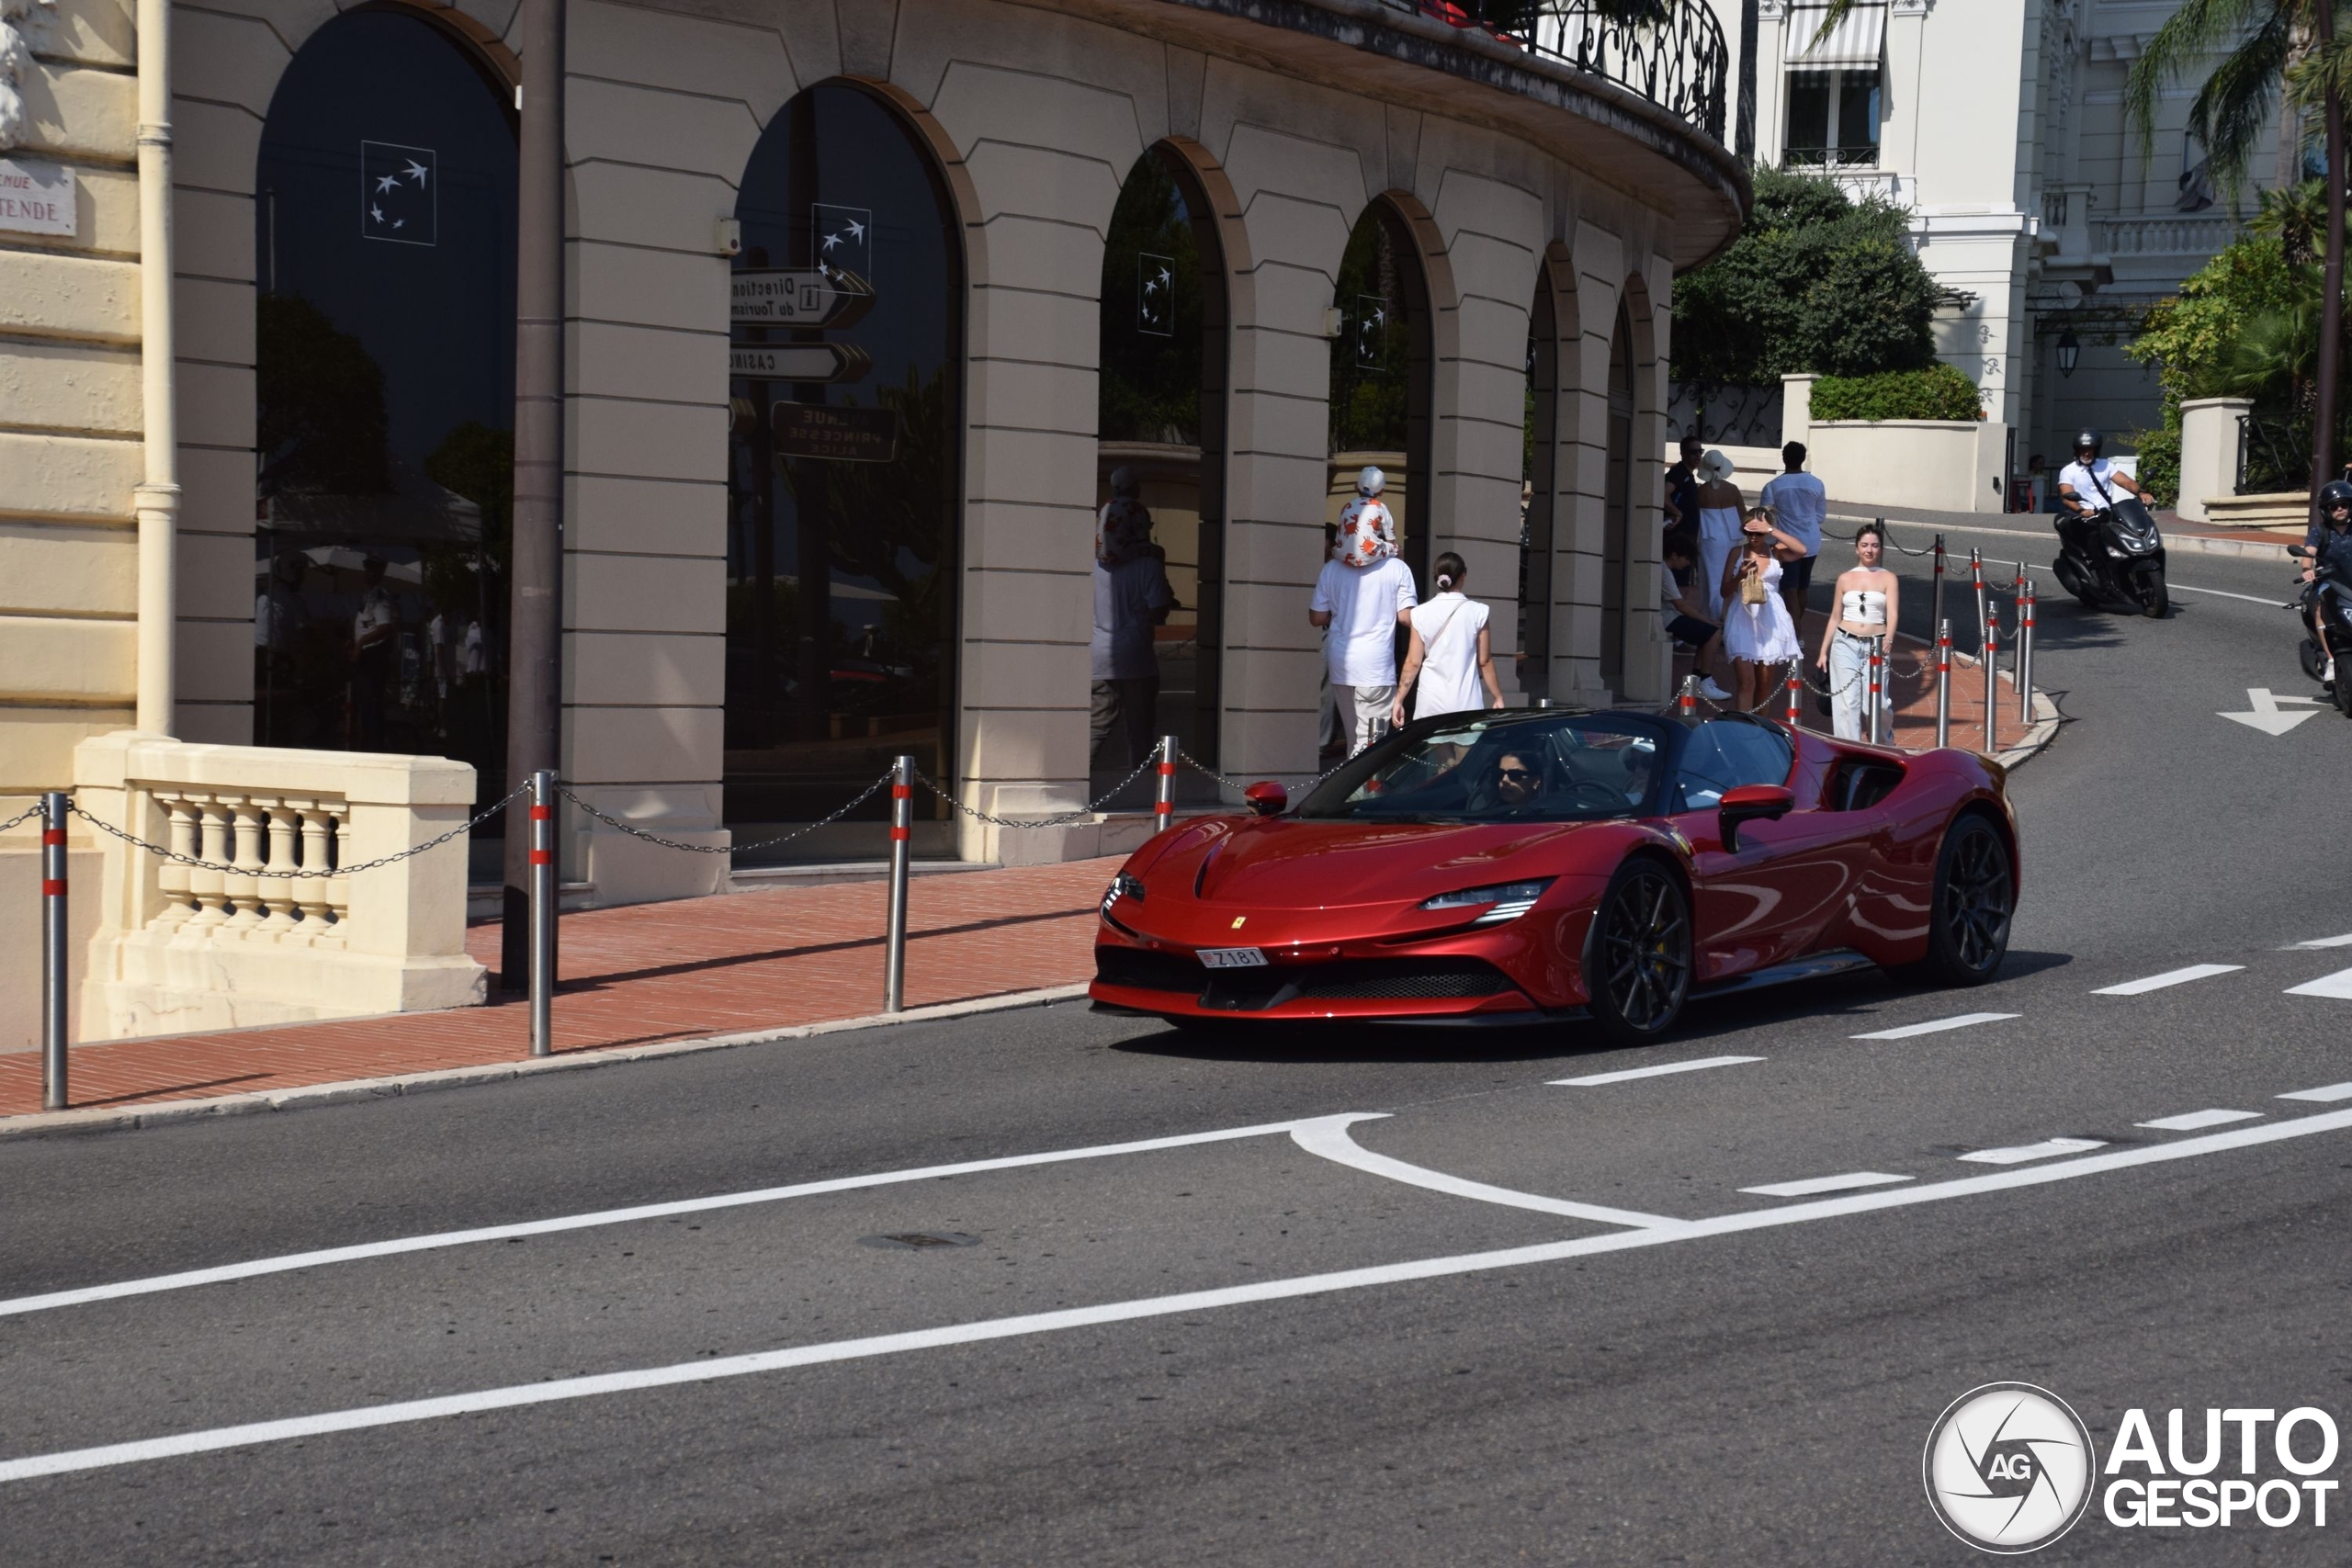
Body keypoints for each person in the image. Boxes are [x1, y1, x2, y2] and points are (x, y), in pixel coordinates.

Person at [1311, 471, 1418, 754]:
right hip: (1375, 667)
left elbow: (1317, 618)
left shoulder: (1331, 568)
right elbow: (1406, 618)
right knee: (1372, 747)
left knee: (1355, 738)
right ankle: (1362, 796)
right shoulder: (1397, 569)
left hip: (1341, 662)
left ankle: (1349, 792)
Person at [1091, 468, 1176, 769]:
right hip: (1136, 658)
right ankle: (1137, 786)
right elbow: (1157, 611)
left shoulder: (1093, 567)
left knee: (1097, 726)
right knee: (1139, 730)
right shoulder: (1147, 566)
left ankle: (1077, 779)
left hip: (1098, 657)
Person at [1391, 551, 1503, 727]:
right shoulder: (1478, 612)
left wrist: (1399, 699)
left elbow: (1413, 662)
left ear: (1437, 577)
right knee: (1465, 753)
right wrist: (1497, 697)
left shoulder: (1419, 613)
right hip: (1466, 700)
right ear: (1463, 575)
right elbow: (1484, 661)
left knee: (1434, 752)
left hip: (1430, 700)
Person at [1815, 520, 1901, 741]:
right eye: (1864, 545)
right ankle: (1850, 749)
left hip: (1876, 644)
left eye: (1874, 545)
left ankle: (1884, 743)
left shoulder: (1888, 578)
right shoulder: (1845, 578)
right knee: (1847, 704)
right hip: (1845, 643)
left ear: (1880, 548)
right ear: (1856, 548)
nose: (1869, 550)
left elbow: (1892, 613)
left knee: (1877, 705)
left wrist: (1889, 639)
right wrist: (1824, 651)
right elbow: (1835, 616)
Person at [1718, 508, 1805, 714]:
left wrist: (1772, 529)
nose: (1753, 537)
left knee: (1764, 686)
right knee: (1746, 683)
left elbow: (1801, 550)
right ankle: (1742, 728)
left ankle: (1759, 730)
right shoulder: (1736, 553)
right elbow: (1724, 592)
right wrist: (1740, 576)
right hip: (1743, 617)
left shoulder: (1776, 551)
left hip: (1771, 619)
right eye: (1749, 532)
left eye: (1758, 532)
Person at [1758, 441, 1826, 630]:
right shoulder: (1817, 483)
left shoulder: (1773, 485)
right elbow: (1820, 516)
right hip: (1811, 542)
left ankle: (1795, 632)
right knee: (1803, 587)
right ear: (1803, 459)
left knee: (1790, 590)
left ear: (1783, 458)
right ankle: (1796, 626)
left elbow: (1765, 516)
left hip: (1785, 543)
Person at [1660, 533, 1732, 701]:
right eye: (1686, 559)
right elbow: (1681, 605)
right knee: (1713, 633)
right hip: (1667, 618)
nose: (1687, 564)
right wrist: (1707, 620)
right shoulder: (1664, 571)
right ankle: (1704, 680)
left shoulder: (1664, 569)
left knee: (1706, 634)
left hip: (1670, 615)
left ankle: (1697, 679)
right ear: (1674, 555)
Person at [2055, 428, 2146, 553]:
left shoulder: (2106, 465)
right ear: (2077, 450)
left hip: (2107, 515)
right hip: (2085, 518)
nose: (2087, 453)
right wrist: (2082, 510)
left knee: (2127, 539)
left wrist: (2141, 493)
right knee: (2096, 545)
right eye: (2083, 449)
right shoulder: (2069, 471)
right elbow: (2066, 496)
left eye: (2090, 449)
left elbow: (2126, 482)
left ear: (2096, 450)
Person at [2300, 479, 2352, 681]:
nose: (2340, 509)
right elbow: (2309, 552)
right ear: (2326, 510)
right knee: (2321, 607)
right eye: (2334, 507)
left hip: (2350, 580)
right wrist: (2307, 570)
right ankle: (2330, 659)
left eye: (2344, 505)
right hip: (2328, 581)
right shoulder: (2320, 532)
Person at [350, 554, 400, 750]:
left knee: (371, 705)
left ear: (380, 572)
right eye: (367, 568)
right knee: (365, 704)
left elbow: (384, 627)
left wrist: (360, 644)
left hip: (373, 657)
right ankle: (368, 742)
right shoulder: (369, 595)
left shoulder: (380, 597)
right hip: (365, 657)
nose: (369, 572)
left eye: (373, 569)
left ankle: (374, 745)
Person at [1691, 449, 1747, 617]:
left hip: (1710, 538)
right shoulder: (1733, 489)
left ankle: (1714, 616)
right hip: (1732, 537)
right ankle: (1726, 615)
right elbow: (1744, 515)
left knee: (1712, 580)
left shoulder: (1700, 491)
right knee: (1729, 576)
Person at [1663, 435, 1702, 533]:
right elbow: (1663, 494)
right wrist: (1677, 513)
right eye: (1693, 452)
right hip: (1677, 534)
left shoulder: (1687, 474)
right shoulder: (1679, 472)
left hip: (1686, 533)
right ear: (1683, 453)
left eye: (1700, 451)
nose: (1698, 455)